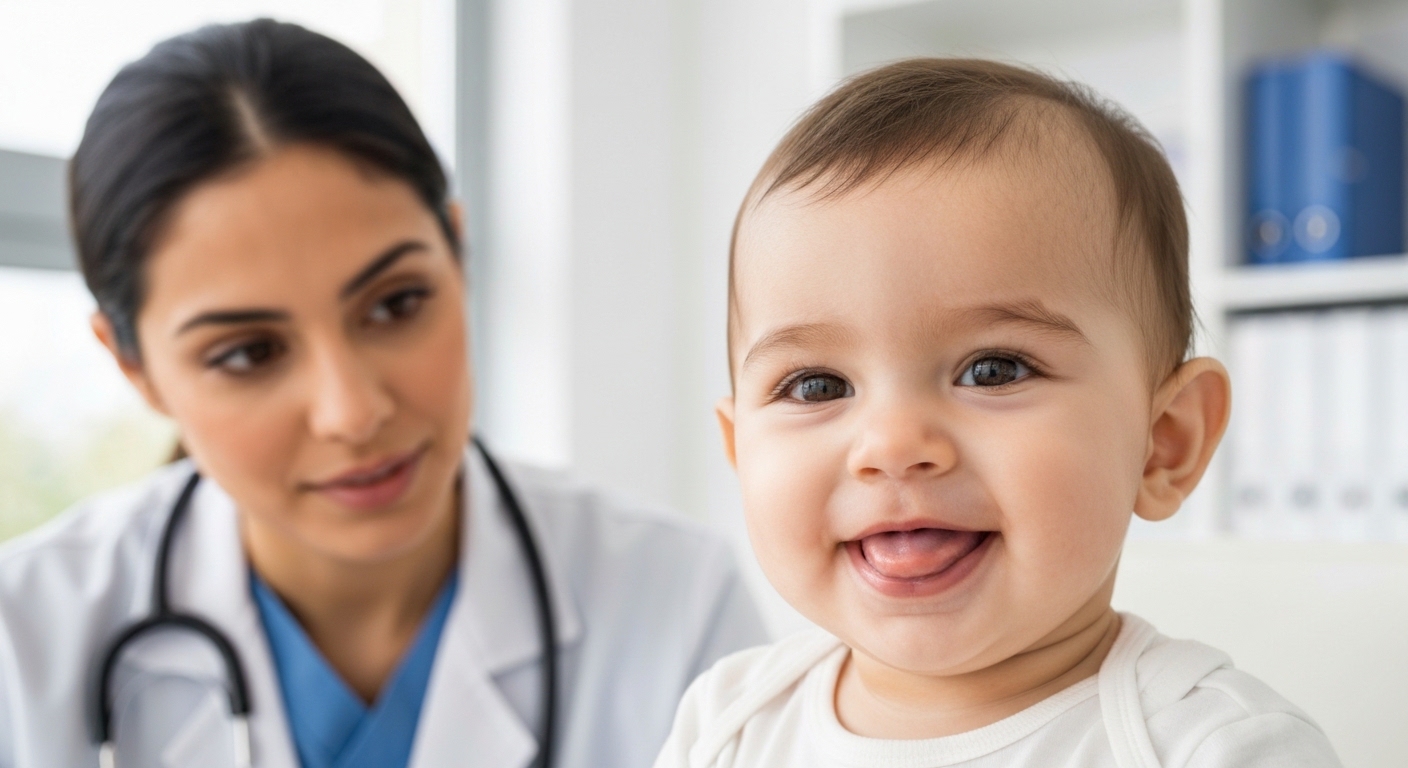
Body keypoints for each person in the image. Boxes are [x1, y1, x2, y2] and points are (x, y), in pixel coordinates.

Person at [0, 19, 767, 768]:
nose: (352, 411)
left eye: (396, 304)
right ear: (134, 369)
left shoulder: (675, 603)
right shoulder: (23, 640)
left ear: (457, 255)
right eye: (248, 354)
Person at [655, 60, 1343, 767]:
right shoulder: (728, 724)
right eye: (817, 386)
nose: (892, 445)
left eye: (994, 370)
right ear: (741, 454)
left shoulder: (1213, 747)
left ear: (1164, 443)